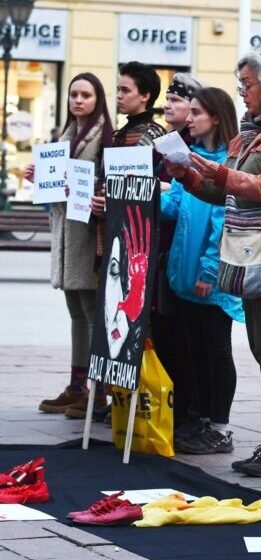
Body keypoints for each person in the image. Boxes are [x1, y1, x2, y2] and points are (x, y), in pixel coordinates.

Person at [164, 51, 261, 477]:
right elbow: (228, 193)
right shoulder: (255, 131)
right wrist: (189, 176)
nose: (242, 93)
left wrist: (217, 173)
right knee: (259, 344)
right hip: (250, 245)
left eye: (247, 85)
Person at [76, 61, 167, 420]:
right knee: (108, 321)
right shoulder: (119, 134)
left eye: (125, 90)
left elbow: (144, 192)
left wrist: (110, 201)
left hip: (135, 246)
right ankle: (113, 397)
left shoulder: (152, 135)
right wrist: (96, 201)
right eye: (117, 90)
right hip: (110, 240)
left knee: (135, 327)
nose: (119, 96)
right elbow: (108, 182)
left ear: (145, 95)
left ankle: (132, 399)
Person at [161, 87, 245, 454]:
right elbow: (175, 207)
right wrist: (144, 192)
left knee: (216, 351)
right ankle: (201, 419)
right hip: (185, 274)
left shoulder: (228, 163)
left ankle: (220, 427)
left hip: (209, 280)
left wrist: (209, 271)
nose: (189, 118)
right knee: (195, 351)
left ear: (215, 116)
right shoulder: (192, 157)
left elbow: (223, 220)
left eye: (195, 112)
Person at [30, 73, 113, 416]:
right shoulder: (66, 135)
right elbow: (58, 181)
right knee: (77, 314)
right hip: (68, 233)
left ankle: (99, 392)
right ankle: (77, 385)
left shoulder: (104, 137)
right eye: (73, 95)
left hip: (88, 235)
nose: (78, 100)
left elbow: (107, 184)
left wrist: (82, 187)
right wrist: (41, 178)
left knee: (92, 315)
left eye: (86, 95)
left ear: (97, 100)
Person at [153, 73, 204, 438]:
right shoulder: (165, 142)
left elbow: (205, 204)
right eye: (168, 99)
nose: (169, 105)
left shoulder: (194, 148)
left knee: (187, 338)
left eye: (177, 100)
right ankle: (175, 406)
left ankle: (192, 410)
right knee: (166, 331)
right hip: (164, 247)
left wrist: (169, 188)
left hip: (184, 249)